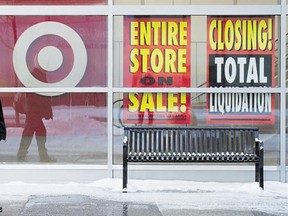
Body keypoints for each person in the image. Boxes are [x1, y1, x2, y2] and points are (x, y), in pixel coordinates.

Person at [16, 63, 55, 162]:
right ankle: (42, 156)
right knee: (40, 131)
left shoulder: (37, 74)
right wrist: (45, 110)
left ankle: (22, 155)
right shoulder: (36, 75)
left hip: (33, 110)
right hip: (33, 110)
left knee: (30, 131)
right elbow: (40, 96)